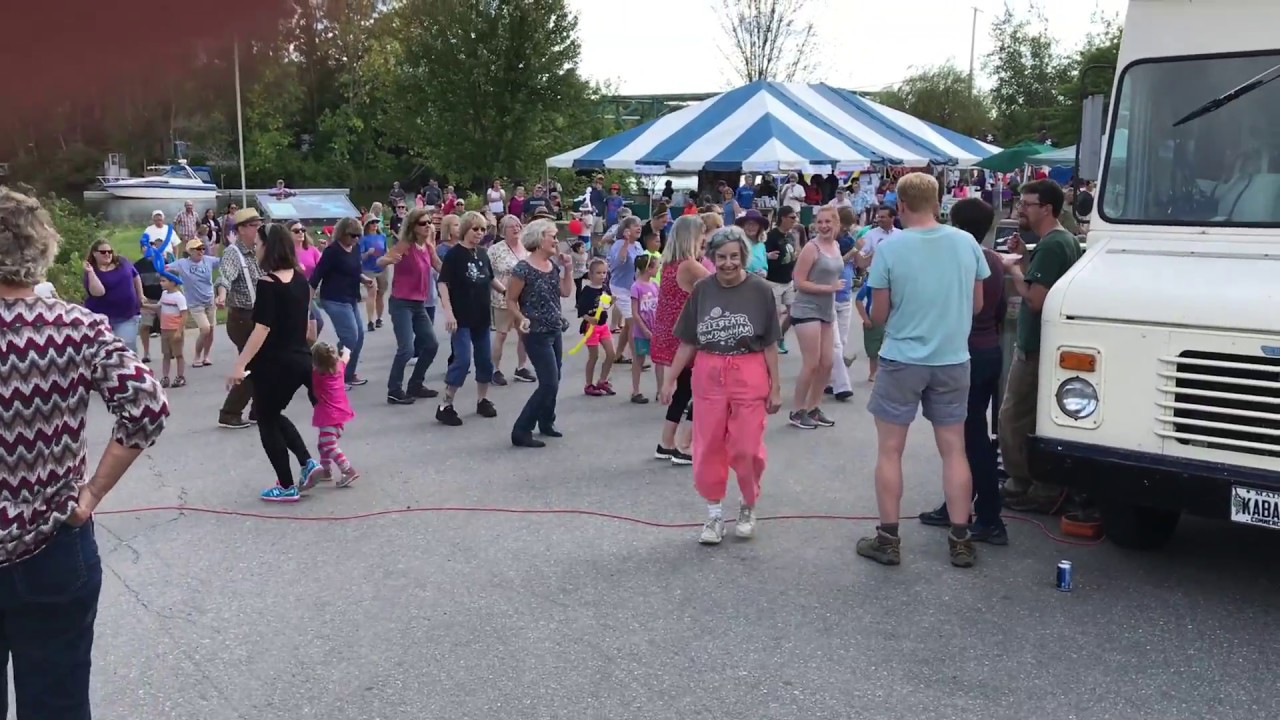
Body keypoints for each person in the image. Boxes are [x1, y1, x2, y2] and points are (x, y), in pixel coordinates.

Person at [0, 187, 168, 718]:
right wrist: (91, 492)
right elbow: (147, 407)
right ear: (42, 250)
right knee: (58, 703)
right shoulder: (79, 328)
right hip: (55, 543)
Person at [856, 172, 990, 569]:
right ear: (938, 201)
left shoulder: (892, 248)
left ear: (900, 205)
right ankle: (961, 539)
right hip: (951, 358)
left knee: (890, 450)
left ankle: (888, 538)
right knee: (953, 449)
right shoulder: (966, 243)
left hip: (902, 358)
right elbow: (977, 304)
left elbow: (879, 315)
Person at [660, 225, 782, 545]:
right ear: (711, 258)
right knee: (708, 445)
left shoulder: (760, 290)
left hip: (749, 369)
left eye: (735, 256)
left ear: (743, 255)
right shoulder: (702, 289)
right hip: (709, 371)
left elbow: (770, 343)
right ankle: (714, 513)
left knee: (746, 447)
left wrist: (777, 387)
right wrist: (670, 379)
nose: (728, 263)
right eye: (721, 257)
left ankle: (747, 504)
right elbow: (687, 341)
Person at [918, 197, 1008, 543]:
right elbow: (997, 309)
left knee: (968, 440)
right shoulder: (993, 260)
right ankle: (959, 502)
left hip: (963, 353)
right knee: (970, 435)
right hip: (988, 349)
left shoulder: (958, 259)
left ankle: (989, 516)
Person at [999, 180, 1084, 514]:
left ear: (1046, 208)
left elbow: (1036, 299)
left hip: (1035, 347)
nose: (1021, 208)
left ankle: (1022, 483)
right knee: (1036, 418)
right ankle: (1039, 484)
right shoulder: (1061, 241)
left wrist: (1014, 269)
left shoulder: (1051, 246)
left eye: (1027, 203)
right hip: (1047, 345)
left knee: (1013, 417)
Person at [227, 223, 326, 502]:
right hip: (299, 360)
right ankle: (308, 463)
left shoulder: (268, 284)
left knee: (266, 420)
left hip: (274, 364)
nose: (255, 249)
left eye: (257, 244)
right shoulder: (298, 279)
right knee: (272, 413)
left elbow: (262, 329)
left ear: (268, 247)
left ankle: (285, 486)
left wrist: (240, 364)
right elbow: (308, 322)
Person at [649, 215, 712, 464]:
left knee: (684, 390)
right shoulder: (689, 265)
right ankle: (685, 446)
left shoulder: (670, 263)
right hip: (686, 336)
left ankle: (666, 442)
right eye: (702, 234)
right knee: (702, 389)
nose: (705, 239)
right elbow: (722, 284)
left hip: (668, 333)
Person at [506, 219, 575, 447]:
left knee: (555, 378)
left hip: (554, 328)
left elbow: (565, 292)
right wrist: (520, 318)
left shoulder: (552, 266)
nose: (556, 241)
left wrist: (569, 269)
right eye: (552, 236)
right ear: (538, 239)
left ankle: (546, 421)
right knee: (549, 383)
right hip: (535, 332)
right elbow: (511, 300)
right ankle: (521, 430)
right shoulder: (523, 268)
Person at [436, 210, 503, 426]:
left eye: (482, 229)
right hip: (461, 316)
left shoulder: (482, 253)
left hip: (482, 316)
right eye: (475, 229)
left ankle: (483, 399)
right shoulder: (454, 255)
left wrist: (508, 293)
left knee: (484, 359)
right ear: (466, 229)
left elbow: (491, 279)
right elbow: (443, 283)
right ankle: (446, 404)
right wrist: (448, 312)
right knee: (462, 359)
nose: (479, 233)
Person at [787, 205, 844, 430]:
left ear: (836, 223)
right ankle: (797, 410)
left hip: (826, 310)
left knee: (827, 363)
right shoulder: (812, 248)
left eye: (828, 222)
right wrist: (829, 288)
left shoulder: (836, 245)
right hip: (806, 308)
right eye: (819, 222)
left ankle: (814, 407)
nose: (823, 226)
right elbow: (799, 282)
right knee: (811, 363)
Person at [380, 206, 442, 404]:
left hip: (419, 304)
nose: (428, 226)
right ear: (413, 227)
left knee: (431, 344)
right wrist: (389, 259)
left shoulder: (429, 247)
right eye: (423, 223)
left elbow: (440, 267)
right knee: (406, 348)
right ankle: (394, 390)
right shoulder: (405, 245)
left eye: (429, 223)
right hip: (401, 303)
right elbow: (382, 260)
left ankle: (415, 384)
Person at [312, 216, 376, 388]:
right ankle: (330, 372)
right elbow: (317, 276)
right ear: (341, 234)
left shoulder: (354, 249)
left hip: (350, 298)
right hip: (333, 299)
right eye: (352, 235)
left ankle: (347, 373)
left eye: (358, 236)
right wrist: (306, 302)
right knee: (350, 337)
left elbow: (354, 271)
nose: (355, 239)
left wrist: (364, 280)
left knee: (359, 337)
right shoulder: (332, 251)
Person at [216, 208, 265, 429]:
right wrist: (221, 294)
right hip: (242, 318)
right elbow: (225, 276)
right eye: (255, 225)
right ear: (242, 229)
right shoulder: (233, 254)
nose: (259, 229)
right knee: (252, 365)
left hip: (256, 316)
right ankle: (230, 413)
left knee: (265, 363)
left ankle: (258, 410)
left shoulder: (257, 251)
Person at [488, 214, 534, 386]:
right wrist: (500, 289)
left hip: (524, 298)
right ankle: (495, 369)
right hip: (503, 298)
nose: (516, 229)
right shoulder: (495, 250)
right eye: (511, 226)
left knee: (524, 334)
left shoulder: (527, 248)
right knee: (501, 334)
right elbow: (489, 274)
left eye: (518, 226)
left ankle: (521, 367)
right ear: (503, 230)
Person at [166, 237, 220, 367]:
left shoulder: (208, 260)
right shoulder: (182, 263)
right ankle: (197, 356)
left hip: (209, 300)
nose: (201, 251)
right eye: (197, 249)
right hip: (195, 303)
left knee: (211, 330)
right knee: (205, 329)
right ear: (190, 251)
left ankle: (206, 356)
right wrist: (160, 262)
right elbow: (165, 269)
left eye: (202, 248)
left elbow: (224, 262)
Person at [311, 342, 359, 487]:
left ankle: (348, 469)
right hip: (339, 413)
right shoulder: (339, 368)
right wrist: (346, 350)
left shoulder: (317, 375)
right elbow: (346, 357)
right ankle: (326, 470)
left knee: (329, 445)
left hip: (328, 416)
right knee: (323, 444)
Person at [82, 238, 142, 352]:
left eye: (110, 251)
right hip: (101, 318)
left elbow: (135, 276)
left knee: (127, 349)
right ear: (95, 253)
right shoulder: (91, 270)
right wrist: (90, 272)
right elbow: (98, 292)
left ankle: (128, 369)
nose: (107, 254)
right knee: (104, 351)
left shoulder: (122, 262)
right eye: (103, 252)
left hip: (127, 315)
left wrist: (141, 295)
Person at [577, 258, 617, 396]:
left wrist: (612, 302)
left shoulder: (605, 288)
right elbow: (580, 310)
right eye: (598, 273)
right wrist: (589, 318)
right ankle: (588, 384)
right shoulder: (587, 291)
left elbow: (605, 306)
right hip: (591, 327)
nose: (602, 276)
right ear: (591, 275)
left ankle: (602, 380)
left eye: (604, 273)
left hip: (603, 325)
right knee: (593, 356)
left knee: (611, 354)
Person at [607, 216, 644, 365]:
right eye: (635, 225)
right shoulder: (619, 244)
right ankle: (637, 359)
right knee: (633, 323)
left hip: (633, 289)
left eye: (640, 224)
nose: (639, 227)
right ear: (626, 229)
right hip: (620, 288)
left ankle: (618, 355)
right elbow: (619, 261)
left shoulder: (638, 245)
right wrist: (626, 243)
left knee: (629, 324)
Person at [763, 205, 800, 354]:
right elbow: (762, 254)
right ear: (783, 218)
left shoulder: (790, 236)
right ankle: (770, 343)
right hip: (773, 281)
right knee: (775, 314)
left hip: (788, 280)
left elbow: (794, 256)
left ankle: (780, 337)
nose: (795, 220)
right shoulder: (771, 236)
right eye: (792, 217)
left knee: (794, 313)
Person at [628, 254, 661, 404]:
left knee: (660, 360)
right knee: (639, 360)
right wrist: (644, 329)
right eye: (656, 266)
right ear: (648, 269)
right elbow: (635, 312)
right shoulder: (636, 287)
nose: (658, 269)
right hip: (642, 331)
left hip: (656, 329)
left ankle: (660, 391)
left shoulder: (655, 285)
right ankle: (636, 391)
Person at [157, 274, 188, 387]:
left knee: (178, 354)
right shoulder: (164, 294)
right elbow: (158, 306)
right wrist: (144, 305)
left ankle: (180, 376)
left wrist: (179, 331)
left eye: (164, 281)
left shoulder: (179, 297)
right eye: (160, 281)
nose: (161, 283)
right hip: (164, 329)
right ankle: (165, 377)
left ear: (173, 282)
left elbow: (184, 315)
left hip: (174, 329)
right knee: (166, 354)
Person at [359, 216, 389, 331]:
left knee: (381, 293)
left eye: (376, 222)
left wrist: (388, 259)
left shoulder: (382, 237)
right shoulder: (363, 239)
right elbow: (360, 256)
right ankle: (370, 321)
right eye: (372, 222)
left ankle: (379, 318)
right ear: (367, 225)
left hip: (382, 268)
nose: (374, 224)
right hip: (368, 269)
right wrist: (368, 253)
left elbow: (386, 251)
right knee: (372, 292)